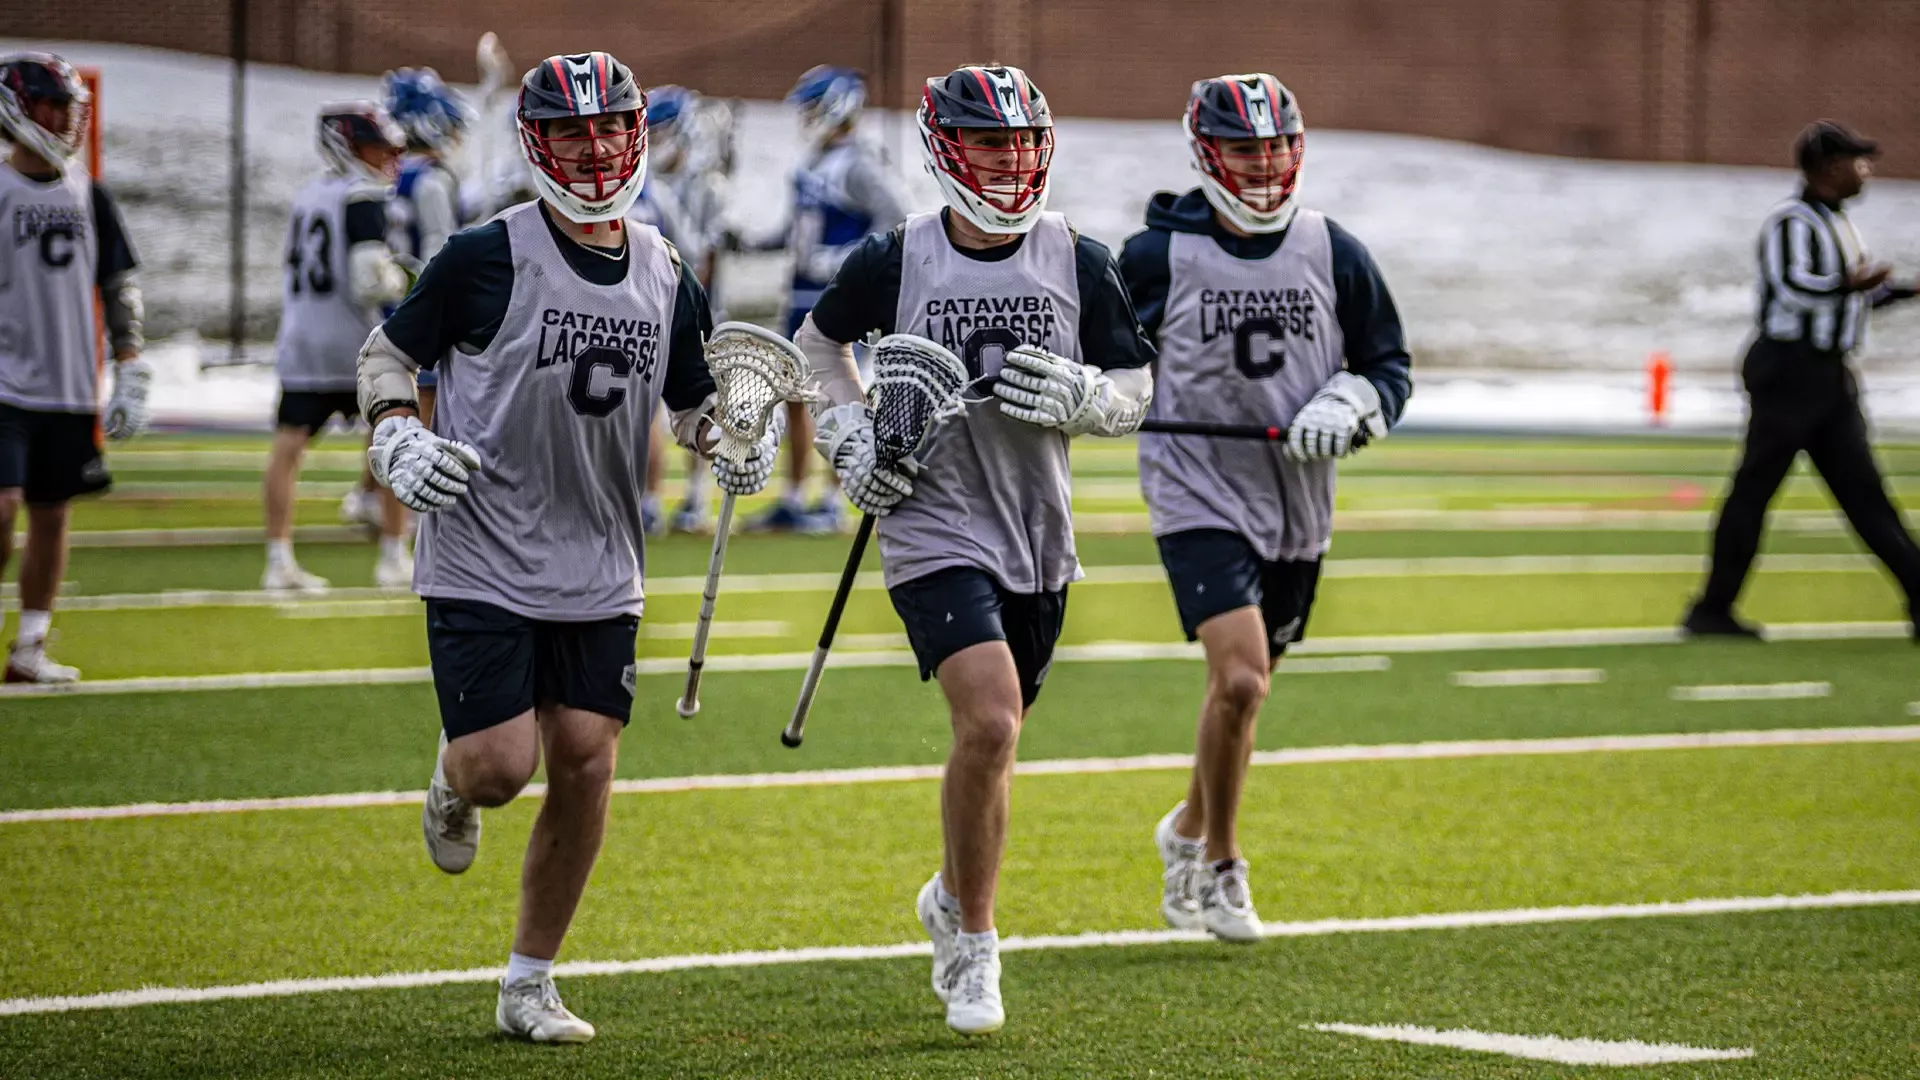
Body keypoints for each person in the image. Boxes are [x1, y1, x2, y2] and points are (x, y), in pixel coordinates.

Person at [356, 51, 772, 1043]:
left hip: (600, 555)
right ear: (537, 143)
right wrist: (393, 431)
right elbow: (388, 351)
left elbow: (691, 404)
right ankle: (454, 776)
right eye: (572, 134)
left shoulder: (665, 266)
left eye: (608, 131)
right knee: (502, 767)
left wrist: (731, 441)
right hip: (484, 544)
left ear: (635, 137)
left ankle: (529, 980)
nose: (594, 152)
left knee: (584, 757)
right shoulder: (482, 253)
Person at [795, 64, 1155, 1034]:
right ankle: (976, 950)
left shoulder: (1078, 257)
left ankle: (952, 897)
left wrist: (1096, 401)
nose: (1011, 159)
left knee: (995, 745)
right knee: (990, 721)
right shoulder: (896, 257)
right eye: (991, 142)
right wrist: (847, 436)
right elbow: (816, 346)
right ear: (945, 147)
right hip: (929, 517)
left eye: (1023, 141)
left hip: (1034, 525)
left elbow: (1135, 380)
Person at [1119, 73, 1413, 942]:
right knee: (1240, 677)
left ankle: (1185, 828)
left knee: (1244, 698)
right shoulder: (1154, 257)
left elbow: (1389, 364)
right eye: (1246, 147)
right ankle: (1221, 864)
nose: (1264, 163)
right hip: (1195, 486)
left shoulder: (1334, 249)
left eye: (1276, 145)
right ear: (1208, 152)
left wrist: (1355, 403)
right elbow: (1104, 358)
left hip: (1296, 495)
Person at [1683, 120, 1920, 640]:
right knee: (1756, 490)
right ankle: (1711, 608)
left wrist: (1901, 291)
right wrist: (1849, 283)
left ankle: (1919, 595)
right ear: (1829, 168)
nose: (1867, 171)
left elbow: (1853, 296)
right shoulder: (1790, 222)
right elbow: (1795, 289)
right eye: (1857, 161)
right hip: (1791, 371)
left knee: (1863, 493)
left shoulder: (1839, 224)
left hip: (1827, 374)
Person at [0, 52, 150, 683]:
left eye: (68, 106)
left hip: (67, 382)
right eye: (50, 105)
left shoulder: (88, 192)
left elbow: (118, 284)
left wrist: (130, 365)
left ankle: (31, 645)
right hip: (5, 382)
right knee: (2, 507)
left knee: (53, 511)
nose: (63, 118)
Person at [749, 65, 910, 534]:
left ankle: (836, 497)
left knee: (839, 395)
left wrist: (838, 258)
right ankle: (795, 495)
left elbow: (896, 224)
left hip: (838, 295)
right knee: (794, 396)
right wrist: (758, 243)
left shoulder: (861, 163)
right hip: (800, 291)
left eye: (814, 107)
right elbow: (795, 228)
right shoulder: (812, 161)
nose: (808, 117)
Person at [266, 101, 413, 591]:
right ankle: (394, 554)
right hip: (354, 339)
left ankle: (277, 558)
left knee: (289, 446)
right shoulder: (362, 195)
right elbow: (370, 279)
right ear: (348, 147)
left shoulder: (308, 194)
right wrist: (408, 277)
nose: (385, 157)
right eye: (375, 147)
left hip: (302, 334)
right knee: (395, 437)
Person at [338, 67, 475, 534]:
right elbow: (443, 250)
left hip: (394, 299)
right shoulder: (433, 180)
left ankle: (369, 494)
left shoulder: (394, 173)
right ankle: (405, 507)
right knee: (423, 408)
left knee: (386, 402)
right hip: (422, 299)